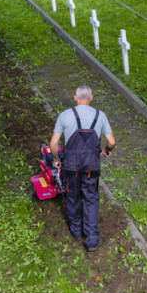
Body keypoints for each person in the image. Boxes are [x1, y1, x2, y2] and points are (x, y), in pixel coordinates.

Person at [49, 85, 115, 252]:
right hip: (92, 165)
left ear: (75, 98)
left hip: (71, 165)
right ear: (91, 98)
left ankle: (76, 231)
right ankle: (92, 238)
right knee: (91, 198)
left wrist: (56, 160)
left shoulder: (64, 115)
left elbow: (53, 144)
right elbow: (112, 141)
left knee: (72, 196)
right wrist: (107, 151)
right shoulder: (100, 116)